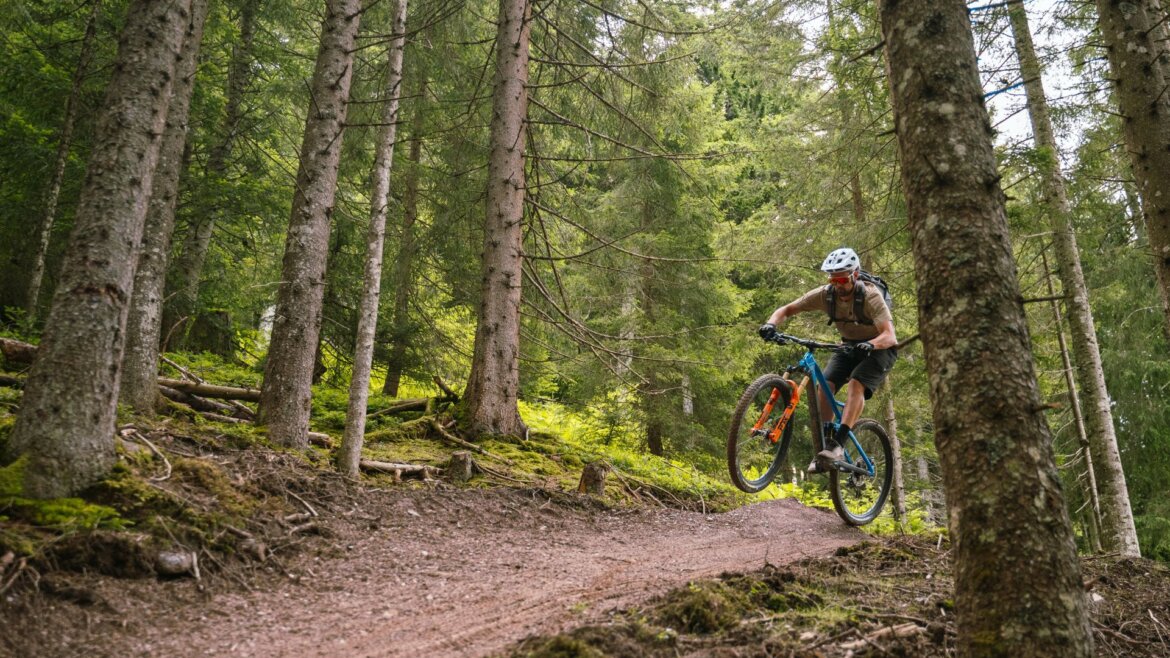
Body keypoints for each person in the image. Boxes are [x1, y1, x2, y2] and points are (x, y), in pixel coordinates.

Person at [757, 247, 897, 473]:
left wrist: (871, 344)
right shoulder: (826, 294)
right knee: (825, 385)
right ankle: (825, 445)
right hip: (848, 346)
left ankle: (838, 443)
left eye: (842, 279)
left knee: (855, 384)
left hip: (880, 348)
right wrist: (770, 324)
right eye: (833, 280)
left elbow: (890, 336)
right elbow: (788, 309)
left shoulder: (870, 296)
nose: (838, 285)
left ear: (855, 275)